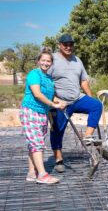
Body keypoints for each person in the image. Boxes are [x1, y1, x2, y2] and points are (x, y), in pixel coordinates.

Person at [48, 34, 103, 173]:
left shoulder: (77, 60)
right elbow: (45, 81)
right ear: (59, 45)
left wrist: (89, 97)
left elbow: (83, 81)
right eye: (65, 44)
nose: (68, 47)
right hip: (60, 102)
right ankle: (59, 159)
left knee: (96, 105)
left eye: (71, 44)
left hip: (77, 98)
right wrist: (54, 99)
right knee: (57, 130)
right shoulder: (52, 60)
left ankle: (87, 136)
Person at [20, 47, 64, 184]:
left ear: (51, 63)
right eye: (43, 60)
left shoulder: (49, 79)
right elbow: (37, 94)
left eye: (48, 61)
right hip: (30, 111)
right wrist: (53, 104)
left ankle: (32, 172)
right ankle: (43, 175)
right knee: (37, 143)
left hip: (42, 114)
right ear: (38, 61)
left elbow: (50, 94)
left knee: (34, 144)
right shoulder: (34, 74)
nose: (45, 63)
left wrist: (58, 100)